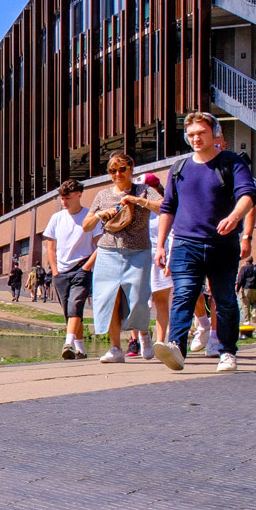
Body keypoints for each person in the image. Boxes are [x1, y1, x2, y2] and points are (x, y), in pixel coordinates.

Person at [155, 113, 256, 373]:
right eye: (191, 134)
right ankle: (177, 348)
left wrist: (235, 217)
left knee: (224, 299)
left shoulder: (231, 162)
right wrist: (161, 245)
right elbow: (168, 207)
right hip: (185, 244)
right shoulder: (179, 168)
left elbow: (248, 195)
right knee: (184, 295)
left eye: (201, 133)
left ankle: (227, 352)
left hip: (222, 244)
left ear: (216, 133)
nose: (196, 138)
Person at [78, 153, 161, 363]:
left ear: (131, 169)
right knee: (109, 299)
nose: (117, 174)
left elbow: (164, 207)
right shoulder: (103, 195)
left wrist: (138, 201)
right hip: (108, 252)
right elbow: (86, 226)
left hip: (138, 252)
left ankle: (143, 334)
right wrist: (99, 215)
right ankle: (115, 349)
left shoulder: (144, 190)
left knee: (139, 298)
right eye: (113, 171)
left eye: (122, 169)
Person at [41, 178, 96, 359]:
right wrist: (55, 271)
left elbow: (100, 245)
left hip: (82, 268)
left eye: (68, 198)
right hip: (61, 271)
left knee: (75, 305)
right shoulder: (56, 218)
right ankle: (81, 350)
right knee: (70, 311)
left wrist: (87, 267)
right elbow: (51, 247)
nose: (64, 202)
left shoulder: (90, 217)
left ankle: (68, 344)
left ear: (79, 194)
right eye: (62, 198)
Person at [142, 172, 169, 360]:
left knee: (161, 300)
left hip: (160, 256)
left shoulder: (166, 206)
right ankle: (144, 337)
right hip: (140, 255)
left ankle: (160, 342)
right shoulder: (137, 206)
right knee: (139, 301)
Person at [236, 255, 256, 321]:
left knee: (246, 304)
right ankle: (254, 313)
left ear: (246, 261)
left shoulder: (244, 268)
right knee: (254, 302)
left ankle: (247, 320)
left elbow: (240, 279)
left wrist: (237, 289)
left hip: (246, 288)